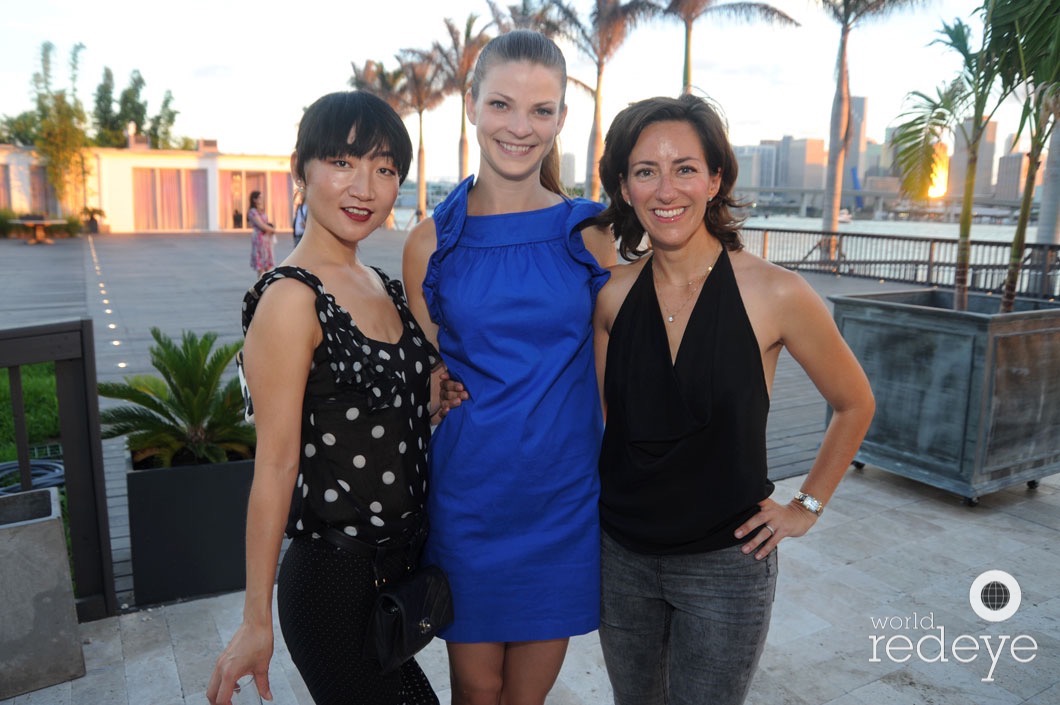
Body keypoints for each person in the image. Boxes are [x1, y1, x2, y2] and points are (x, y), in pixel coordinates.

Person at [590, 93, 875, 705]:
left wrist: (806, 505)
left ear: (716, 179)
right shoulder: (609, 295)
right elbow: (608, 418)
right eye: (646, 171)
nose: (667, 190)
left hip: (726, 563)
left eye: (685, 168)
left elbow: (854, 403)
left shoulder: (777, 293)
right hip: (622, 557)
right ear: (625, 185)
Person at [207, 91, 443, 705]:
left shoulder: (383, 286)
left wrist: (437, 395)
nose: (364, 186)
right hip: (333, 581)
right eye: (343, 161)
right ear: (301, 170)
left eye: (385, 168)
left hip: (395, 574)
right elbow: (276, 465)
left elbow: (386, 410)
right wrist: (255, 620)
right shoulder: (291, 298)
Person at [402, 29, 616, 705]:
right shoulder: (430, 242)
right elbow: (430, 368)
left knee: (526, 696)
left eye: (542, 110)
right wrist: (430, 390)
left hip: (562, 498)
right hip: (469, 496)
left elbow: (619, 378)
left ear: (561, 118)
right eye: (501, 104)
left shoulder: (589, 232)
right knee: (474, 686)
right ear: (471, 105)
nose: (520, 128)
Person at [247, 190, 277, 278]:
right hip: (259, 239)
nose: (261, 199)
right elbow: (261, 225)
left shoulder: (261, 210)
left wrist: (271, 229)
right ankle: (260, 286)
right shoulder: (252, 211)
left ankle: (265, 285)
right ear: (254, 199)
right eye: (259, 197)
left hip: (266, 239)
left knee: (267, 265)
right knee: (260, 265)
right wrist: (272, 229)